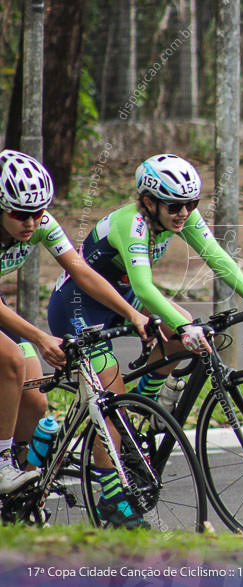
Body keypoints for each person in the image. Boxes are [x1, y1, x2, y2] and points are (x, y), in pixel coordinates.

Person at [48, 153, 243, 527]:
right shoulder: (131, 224)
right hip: (79, 306)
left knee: (179, 325)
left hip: (123, 299)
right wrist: (186, 330)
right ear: (150, 201)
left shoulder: (178, 215)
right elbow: (144, 287)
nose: (184, 212)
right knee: (111, 399)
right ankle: (112, 499)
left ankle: (146, 406)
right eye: (175, 205)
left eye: (191, 203)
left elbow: (216, 256)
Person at [0, 149, 149, 495]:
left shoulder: (41, 224)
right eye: (20, 214)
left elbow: (80, 271)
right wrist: (40, 337)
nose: (31, 223)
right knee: (10, 360)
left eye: (37, 213)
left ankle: (19, 490)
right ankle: (3, 465)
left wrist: (132, 312)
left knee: (35, 399)